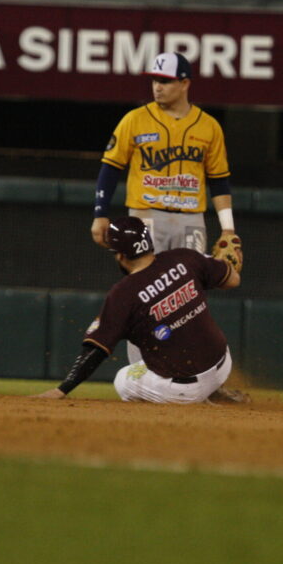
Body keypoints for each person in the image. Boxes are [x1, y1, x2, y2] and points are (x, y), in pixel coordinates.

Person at [37, 217, 244, 404]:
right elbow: (233, 280)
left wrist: (62, 389)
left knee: (124, 378)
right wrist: (223, 265)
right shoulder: (184, 257)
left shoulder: (123, 294)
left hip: (185, 391)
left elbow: (96, 349)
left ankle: (180, 413)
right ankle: (212, 391)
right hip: (222, 367)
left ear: (120, 256)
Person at [89, 51, 238, 255]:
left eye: (165, 81)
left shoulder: (209, 126)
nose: (157, 87)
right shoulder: (135, 120)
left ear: (184, 84)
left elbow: (219, 180)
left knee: (188, 282)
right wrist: (100, 213)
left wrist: (228, 228)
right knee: (145, 281)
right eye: (155, 80)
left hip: (190, 218)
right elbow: (111, 168)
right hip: (145, 214)